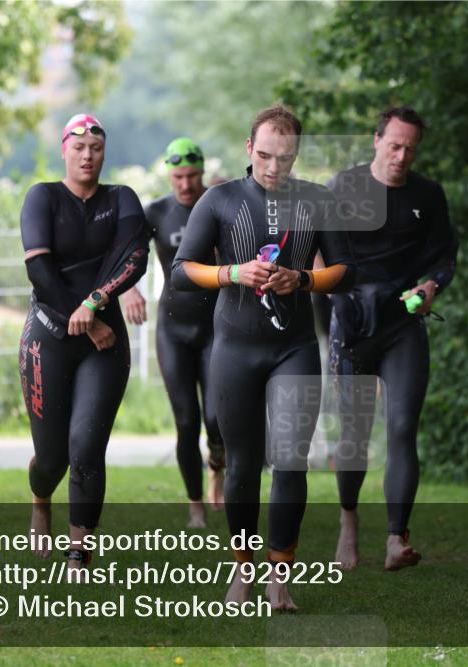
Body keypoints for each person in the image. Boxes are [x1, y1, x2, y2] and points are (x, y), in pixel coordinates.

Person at [171, 105, 354, 610]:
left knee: (291, 463)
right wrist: (231, 273)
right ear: (249, 149)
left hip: (292, 347)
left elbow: (344, 270)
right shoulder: (220, 200)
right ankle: (243, 572)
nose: (275, 167)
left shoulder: (316, 200)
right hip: (234, 348)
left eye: (286, 157)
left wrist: (305, 280)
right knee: (244, 467)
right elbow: (185, 267)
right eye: (267, 155)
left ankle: (280, 578)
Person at [326, 106, 458, 571]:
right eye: (395, 145)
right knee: (356, 435)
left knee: (402, 426)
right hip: (353, 326)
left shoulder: (428, 195)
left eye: (411, 149)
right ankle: (348, 522)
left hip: (402, 327)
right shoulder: (344, 188)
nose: (402, 156)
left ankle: (396, 539)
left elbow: (445, 257)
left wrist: (429, 287)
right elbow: (321, 254)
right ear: (377, 141)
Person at [19, 113, 149, 574]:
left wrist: (95, 304)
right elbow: (40, 272)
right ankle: (40, 499)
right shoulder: (43, 197)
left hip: (105, 342)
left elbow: (136, 257)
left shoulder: (122, 198)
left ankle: (79, 550)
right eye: (79, 148)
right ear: (64, 151)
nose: (88, 155)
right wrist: (86, 321)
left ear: (104, 152)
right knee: (52, 457)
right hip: (49, 338)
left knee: (86, 445)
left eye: (95, 147)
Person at [121, 137, 225, 529]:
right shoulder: (158, 212)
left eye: (193, 176)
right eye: (179, 176)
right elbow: (129, 256)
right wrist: (130, 289)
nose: (185, 184)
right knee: (186, 421)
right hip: (174, 328)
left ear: (202, 173)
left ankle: (218, 462)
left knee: (216, 418)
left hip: (216, 326)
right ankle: (195, 504)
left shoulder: (217, 206)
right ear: (170, 173)